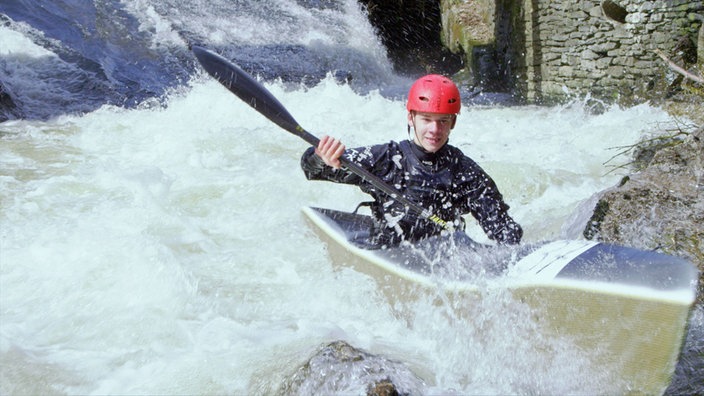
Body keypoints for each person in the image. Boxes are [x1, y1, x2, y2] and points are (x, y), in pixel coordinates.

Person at [300, 74, 522, 247]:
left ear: (453, 123)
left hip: (442, 258)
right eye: (426, 119)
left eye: (443, 121)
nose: (435, 130)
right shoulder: (386, 159)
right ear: (410, 117)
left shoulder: (465, 171)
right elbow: (312, 169)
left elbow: (502, 228)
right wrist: (321, 157)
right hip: (388, 251)